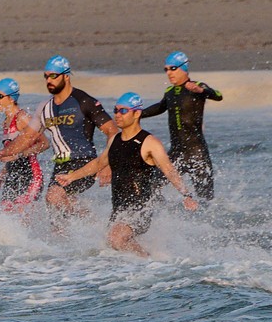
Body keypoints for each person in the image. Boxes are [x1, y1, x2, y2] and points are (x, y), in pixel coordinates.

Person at [55, 92, 198, 256]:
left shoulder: (149, 143)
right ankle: (141, 266)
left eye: (123, 111)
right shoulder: (115, 139)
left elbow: (169, 170)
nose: (117, 115)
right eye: (115, 110)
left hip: (140, 209)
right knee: (111, 247)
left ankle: (149, 260)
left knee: (116, 238)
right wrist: (71, 177)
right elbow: (99, 163)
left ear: (137, 113)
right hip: (119, 210)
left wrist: (186, 194)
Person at [0, 55, 117, 228]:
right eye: (46, 76)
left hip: (84, 162)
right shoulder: (45, 107)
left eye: (53, 76)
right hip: (60, 166)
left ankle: (93, 225)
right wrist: (5, 152)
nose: (49, 80)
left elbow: (113, 131)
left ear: (66, 76)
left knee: (53, 196)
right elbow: (27, 137)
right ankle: (74, 245)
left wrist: (107, 164)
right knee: (55, 218)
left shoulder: (84, 101)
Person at [141, 51, 223, 202]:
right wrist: (137, 114)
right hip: (176, 153)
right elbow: (159, 107)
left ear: (184, 67)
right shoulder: (169, 92)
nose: (169, 73)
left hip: (197, 153)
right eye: (166, 69)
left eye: (173, 68)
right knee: (152, 184)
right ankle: (166, 215)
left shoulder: (198, 87)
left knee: (206, 199)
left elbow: (218, 95)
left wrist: (202, 91)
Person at [0, 78, 49, 213]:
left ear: (11, 98)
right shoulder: (6, 122)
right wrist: (5, 170)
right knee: (7, 215)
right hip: (13, 175)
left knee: (23, 217)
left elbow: (44, 143)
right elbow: (10, 150)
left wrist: (20, 154)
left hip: (30, 175)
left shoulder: (22, 118)